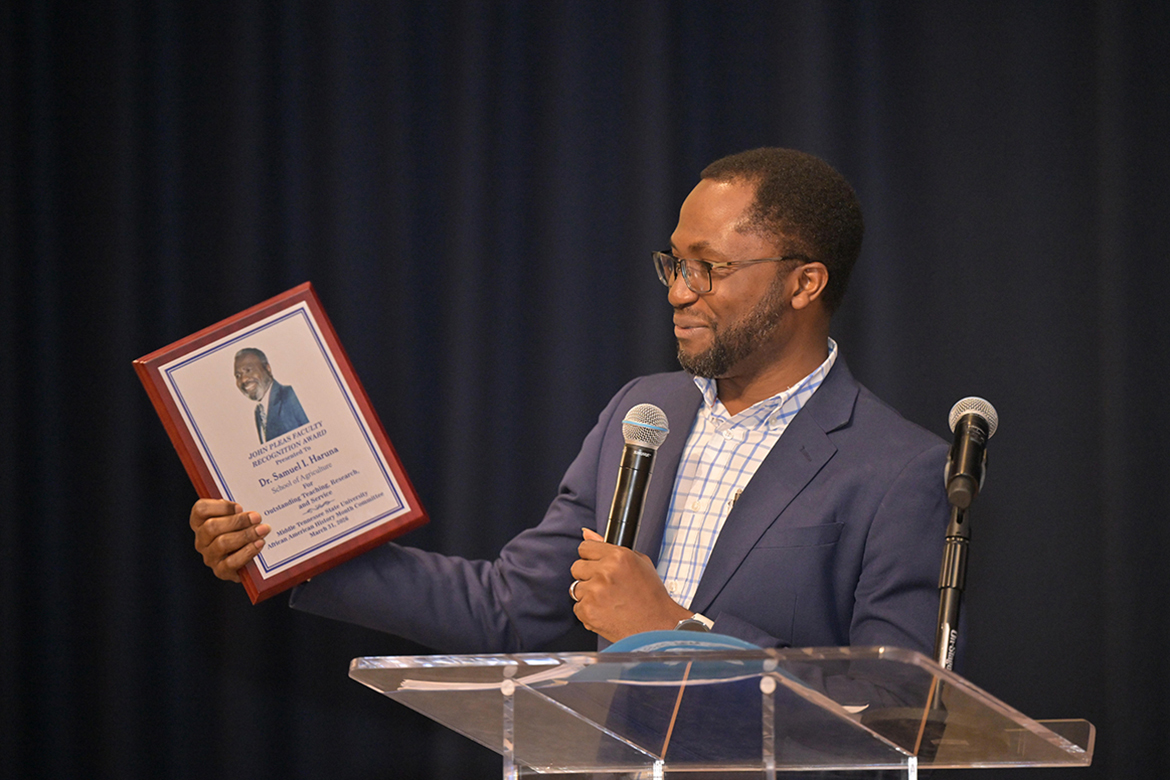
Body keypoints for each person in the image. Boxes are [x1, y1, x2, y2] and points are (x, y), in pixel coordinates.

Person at [193, 148, 950, 656]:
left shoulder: (902, 471)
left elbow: (886, 717)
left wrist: (678, 632)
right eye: (674, 264)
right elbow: (510, 609)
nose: (679, 292)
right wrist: (292, 550)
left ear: (804, 283)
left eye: (709, 269)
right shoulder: (644, 414)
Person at [233, 347, 309, 444]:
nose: (243, 380)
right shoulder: (259, 411)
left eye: (248, 370)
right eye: (238, 376)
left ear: (268, 368)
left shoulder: (291, 396)